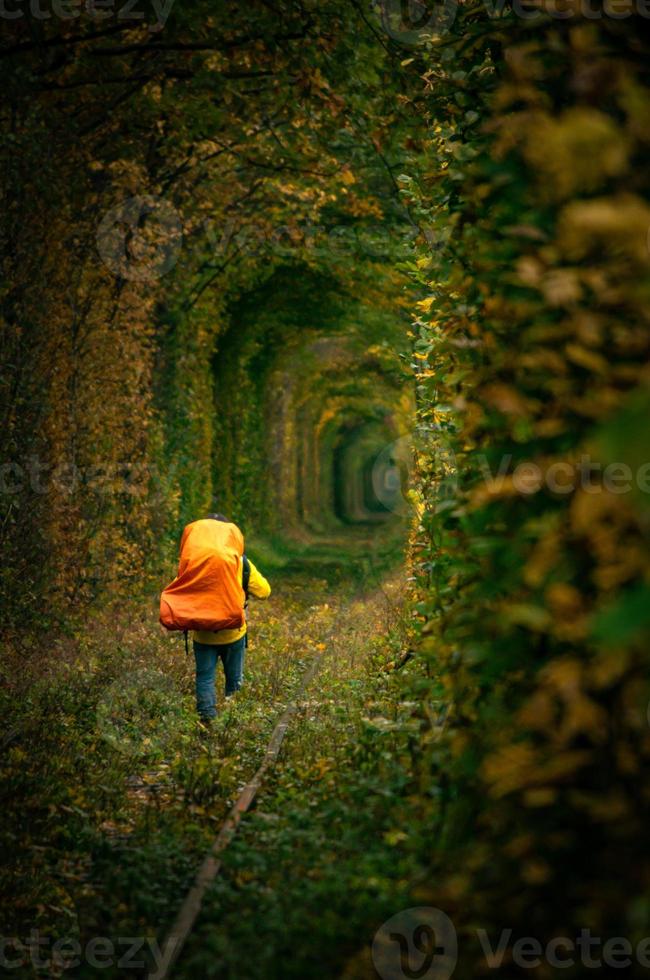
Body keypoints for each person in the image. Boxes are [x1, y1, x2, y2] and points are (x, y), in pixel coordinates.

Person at [193, 514, 271, 726]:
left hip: (203, 632)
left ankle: (207, 719)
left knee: (205, 677)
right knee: (234, 680)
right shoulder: (240, 562)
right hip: (234, 631)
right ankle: (231, 721)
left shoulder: (194, 562)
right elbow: (264, 591)